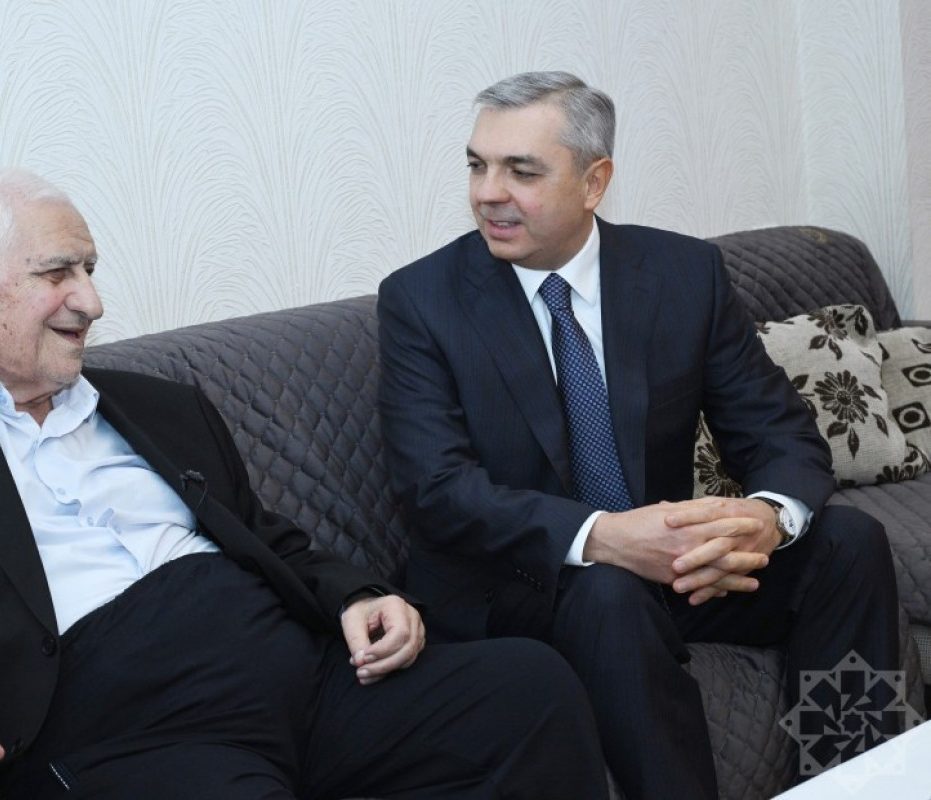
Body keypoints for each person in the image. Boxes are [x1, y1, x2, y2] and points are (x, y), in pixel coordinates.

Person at [0, 167, 608, 799]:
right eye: (59, 273)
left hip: (305, 672)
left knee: (530, 690)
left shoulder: (160, 404)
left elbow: (272, 537)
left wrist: (359, 594)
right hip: (128, 725)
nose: (92, 301)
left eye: (90, 270)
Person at [376, 71, 900, 799]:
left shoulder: (684, 274)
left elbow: (778, 430)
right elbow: (437, 490)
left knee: (847, 542)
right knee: (608, 592)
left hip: (672, 568)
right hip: (525, 583)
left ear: (595, 182)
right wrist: (606, 538)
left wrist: (767, 518)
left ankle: (853, 783)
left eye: (521, 171)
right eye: (477, 165)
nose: (488, 193)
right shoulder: (421, 300)